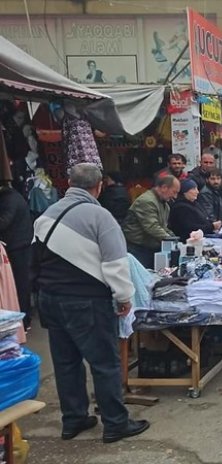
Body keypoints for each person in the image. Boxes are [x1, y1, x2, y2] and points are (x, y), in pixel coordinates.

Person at [32, 163, 149, 443]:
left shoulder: (46, 215)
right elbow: (116, 263)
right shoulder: (100, 216)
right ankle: (115, 423)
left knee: (66, 362)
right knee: (104, 362)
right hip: (86, 300)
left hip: (50, 298)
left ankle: (73, 420)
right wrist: (124, 297)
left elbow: (34, 257)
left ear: (69, 184)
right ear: (99, 186)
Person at [122, 175, 179, 268]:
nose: (175, 196)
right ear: (164, 188)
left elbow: (163, 227)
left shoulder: (164, 204)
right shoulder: (147, 201)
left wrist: (176, 239)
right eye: (174, 192)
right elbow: (152, 227)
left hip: (149, 247)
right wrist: (171, 240)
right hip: (137, 248)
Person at [0, 183, 33, 328]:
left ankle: (23, 321)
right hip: (19, 245)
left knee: (19, 285)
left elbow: (4, 221)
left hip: (17, 247)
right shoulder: (12, 196)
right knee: (19, 284)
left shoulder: (9, 199)